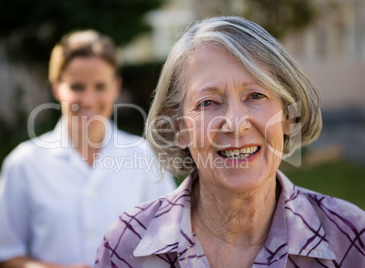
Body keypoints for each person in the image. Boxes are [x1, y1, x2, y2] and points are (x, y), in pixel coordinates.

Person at [94, 16, 365, 267]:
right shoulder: (126, 245)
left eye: (256, 96)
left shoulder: (351, 238)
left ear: (288, 115)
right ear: (179, 127)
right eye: (208, 102)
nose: (235, 124)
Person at [0, 30, 176, 268]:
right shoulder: (23, 163)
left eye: (100, 86)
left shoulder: (145, 157)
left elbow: (169, 244)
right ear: (56, 88)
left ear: (116, 87)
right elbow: (3, 254)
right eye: (77, 86)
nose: (89, 99)